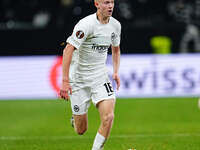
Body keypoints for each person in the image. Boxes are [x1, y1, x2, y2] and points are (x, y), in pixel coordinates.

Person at [59, 0, 121, 149]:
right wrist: (65, 81)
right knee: (81, 130)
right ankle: (76, 119)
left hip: (100, 77)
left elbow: (116, 49)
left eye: (112, 2)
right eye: (106, 2)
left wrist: (116, 71)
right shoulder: (86, 24)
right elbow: (68, 49)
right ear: (97, 4)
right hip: (79, 80)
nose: (110, 6)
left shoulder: (115, 25)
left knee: (109, 117)